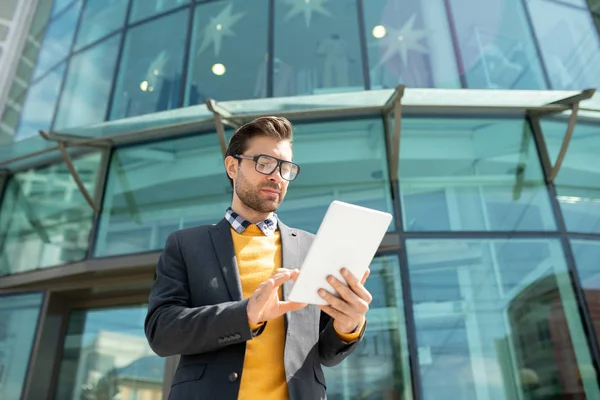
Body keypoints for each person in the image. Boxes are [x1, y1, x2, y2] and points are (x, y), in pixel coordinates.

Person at [144, 116, 372, 400]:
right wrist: (247, 315)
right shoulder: (186, 244)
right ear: (232, 166)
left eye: (286, 168)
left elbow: (326, 353)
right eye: (264, 163)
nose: (277, 176)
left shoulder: (312, 248)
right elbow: (161, 331)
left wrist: (349, 325)